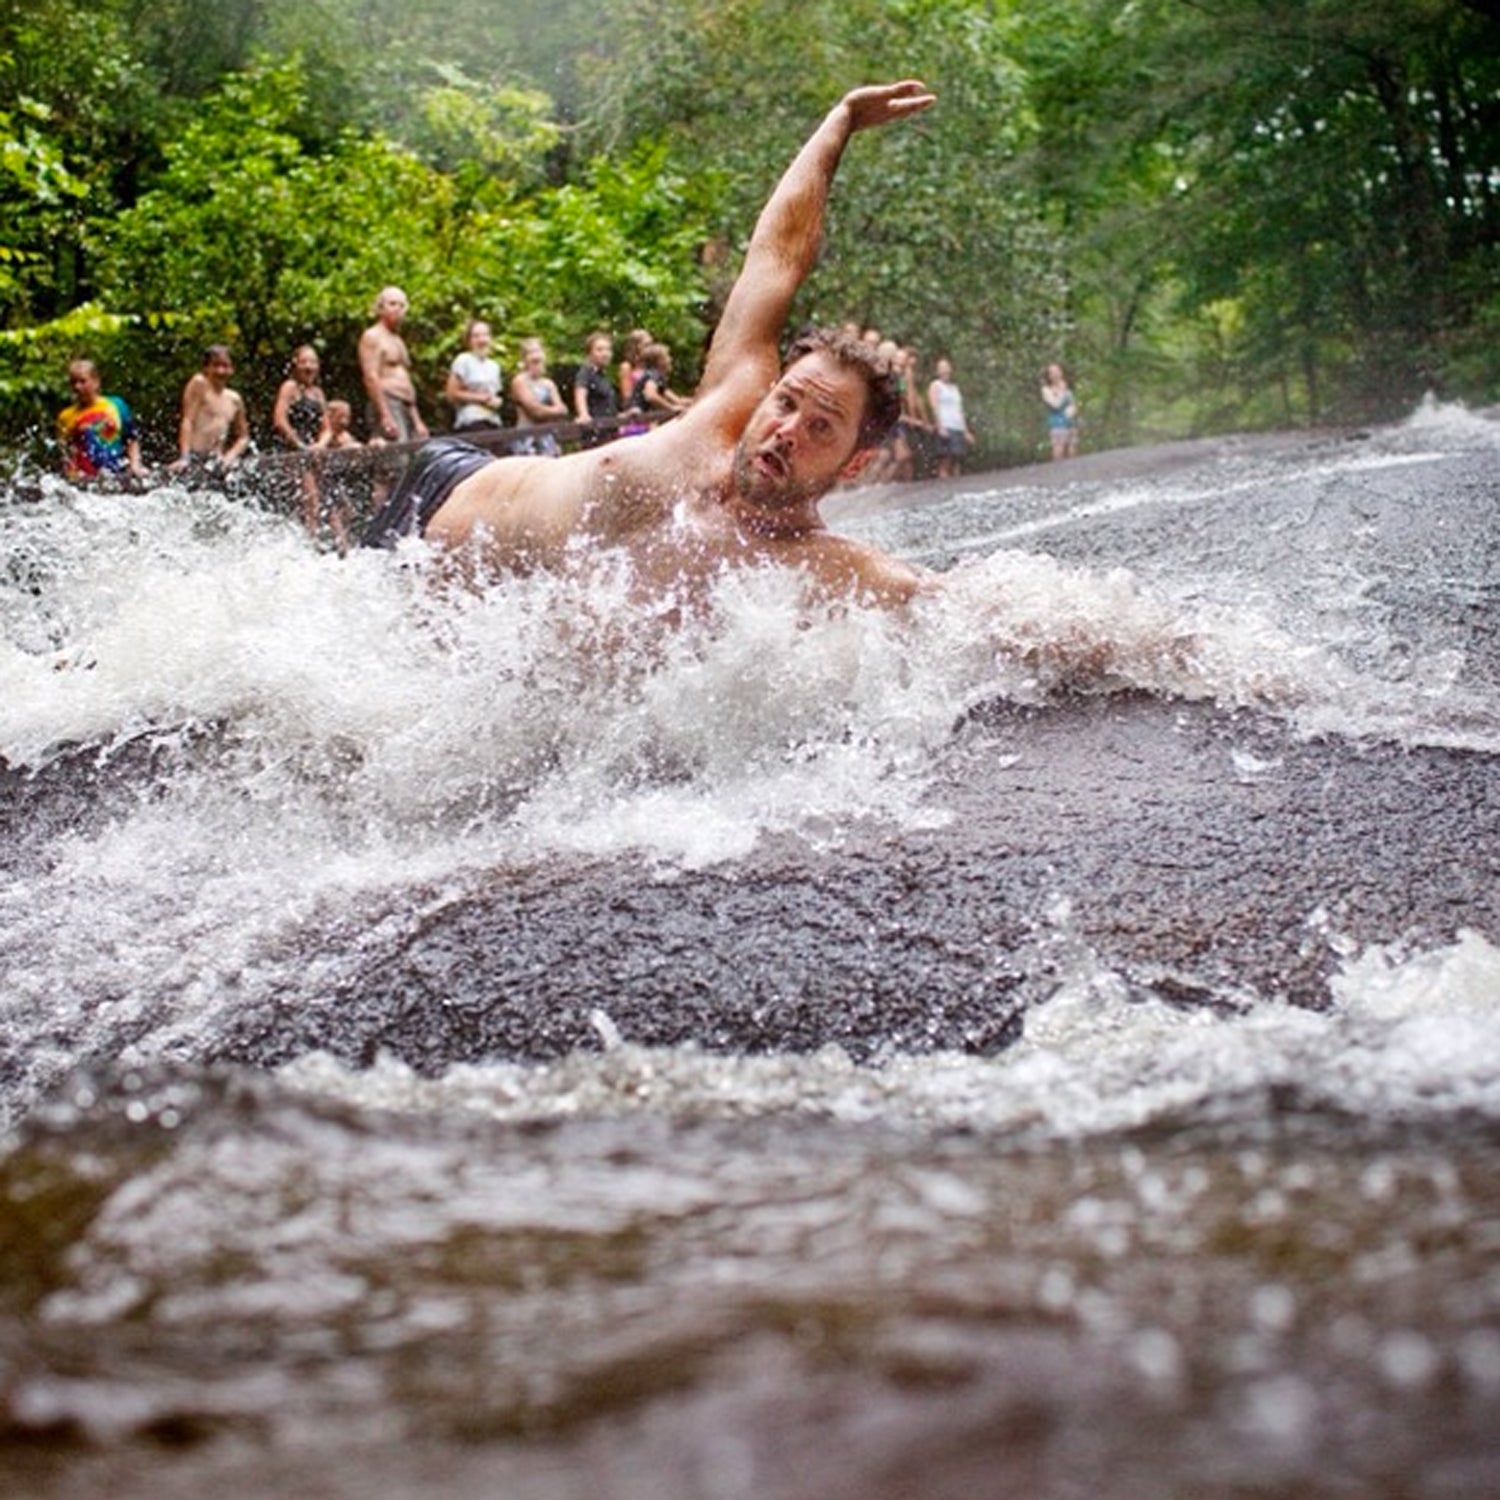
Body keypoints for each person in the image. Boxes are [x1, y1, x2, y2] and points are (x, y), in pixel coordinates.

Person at [363, 81, 937, 613]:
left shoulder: (814, 563)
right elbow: (777, 258)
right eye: (787, 403)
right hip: (430, 507)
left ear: (856, 462)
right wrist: (837, 123)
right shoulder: (725, 406)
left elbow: (947, 601)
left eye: (821, 427)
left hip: (471, 625)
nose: (787, 429)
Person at [56, 359, 145, 484]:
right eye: (73, 382)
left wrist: (135, 464)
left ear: (96, 381)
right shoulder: (65, 416)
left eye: (82, 381)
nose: (77, 387)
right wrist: (71, 477)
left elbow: (131, 439)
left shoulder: (116, 405)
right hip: (83, 478)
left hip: (116, 472)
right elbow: (65, 453)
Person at [360, 287, 429, 444]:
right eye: (392, 304)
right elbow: (371, 376)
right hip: (388, 402)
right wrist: (385, 415)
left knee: (414, 456)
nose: (398, 309)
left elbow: (405, 379)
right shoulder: (372, 336)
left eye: (401, 305)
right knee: (396, 459)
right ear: (380, 308)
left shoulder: (398, 340)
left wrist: (417, 419)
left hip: (405, 404)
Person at [171, 345, 250, 479]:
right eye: (215, 365)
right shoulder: (200, 384)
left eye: (225, 366)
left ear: (232, 369)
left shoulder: (234, 399)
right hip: (195, 455)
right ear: (206, 368)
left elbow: (244, 437)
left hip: (216, 460)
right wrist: (185, 457)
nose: (220, 371)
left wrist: (230, 457)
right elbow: (188, 420)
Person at [509, 338, 568, 457]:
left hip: (548, 437)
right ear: (524, 358)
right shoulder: (520, 380)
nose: (536, 356)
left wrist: (547, 410)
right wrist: (552, 410)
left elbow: (563, 410)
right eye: (531, 352)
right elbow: (535, 411)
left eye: (538, 351)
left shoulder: (548, 383)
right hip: (527, 437)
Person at [445, 320, 504, 432]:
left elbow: (493, 394)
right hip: (471, 420)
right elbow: (451, 394)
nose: (482, 340)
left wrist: (496, 401)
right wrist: (480, 398)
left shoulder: (494, 366)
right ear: (469, 341)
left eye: (485, 335)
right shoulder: (463, 360)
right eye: (476, 336)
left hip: (493, 420)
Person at [928, 356, 974, 479]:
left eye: (947, 368)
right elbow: (934, 406)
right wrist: (939, 426)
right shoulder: (935, 385)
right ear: (937, 371)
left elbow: (959, 410)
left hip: (957, 426)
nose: (945, 371)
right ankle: (943, 487)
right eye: (941, 368)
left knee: (957, 459)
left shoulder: (955, 388)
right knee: (945, 460)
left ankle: (956, 489)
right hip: (945, 425)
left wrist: (966, 431)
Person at [573, 330, 619, 448]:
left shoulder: (603, 375)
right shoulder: (586, 372)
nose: (605, 353)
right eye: (599, 350)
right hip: (595, 433)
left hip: (608, 430)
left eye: (608, 349)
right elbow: (580, 392)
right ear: (589, 353)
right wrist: (583, 414)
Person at [628, 342, 691, 418]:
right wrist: (671, 408)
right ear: (659, 361)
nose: (670, 359)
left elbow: (677, 400)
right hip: (638, 420)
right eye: (667, 357)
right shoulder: (653, 374)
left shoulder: (659, 379)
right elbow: (650, 395)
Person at [1042, 362, 1079, 461]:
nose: (1056, 374)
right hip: (1057, 424)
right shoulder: (1047, 390)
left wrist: (1072, 411)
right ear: (1049, 376)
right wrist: (1061, 391)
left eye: (1058, 371)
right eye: (1052, 372)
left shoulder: (1067, 390)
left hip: (1070, 423)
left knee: (1072, 449)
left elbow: (1073, 404)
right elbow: (1055, 405)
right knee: (1059, 449)